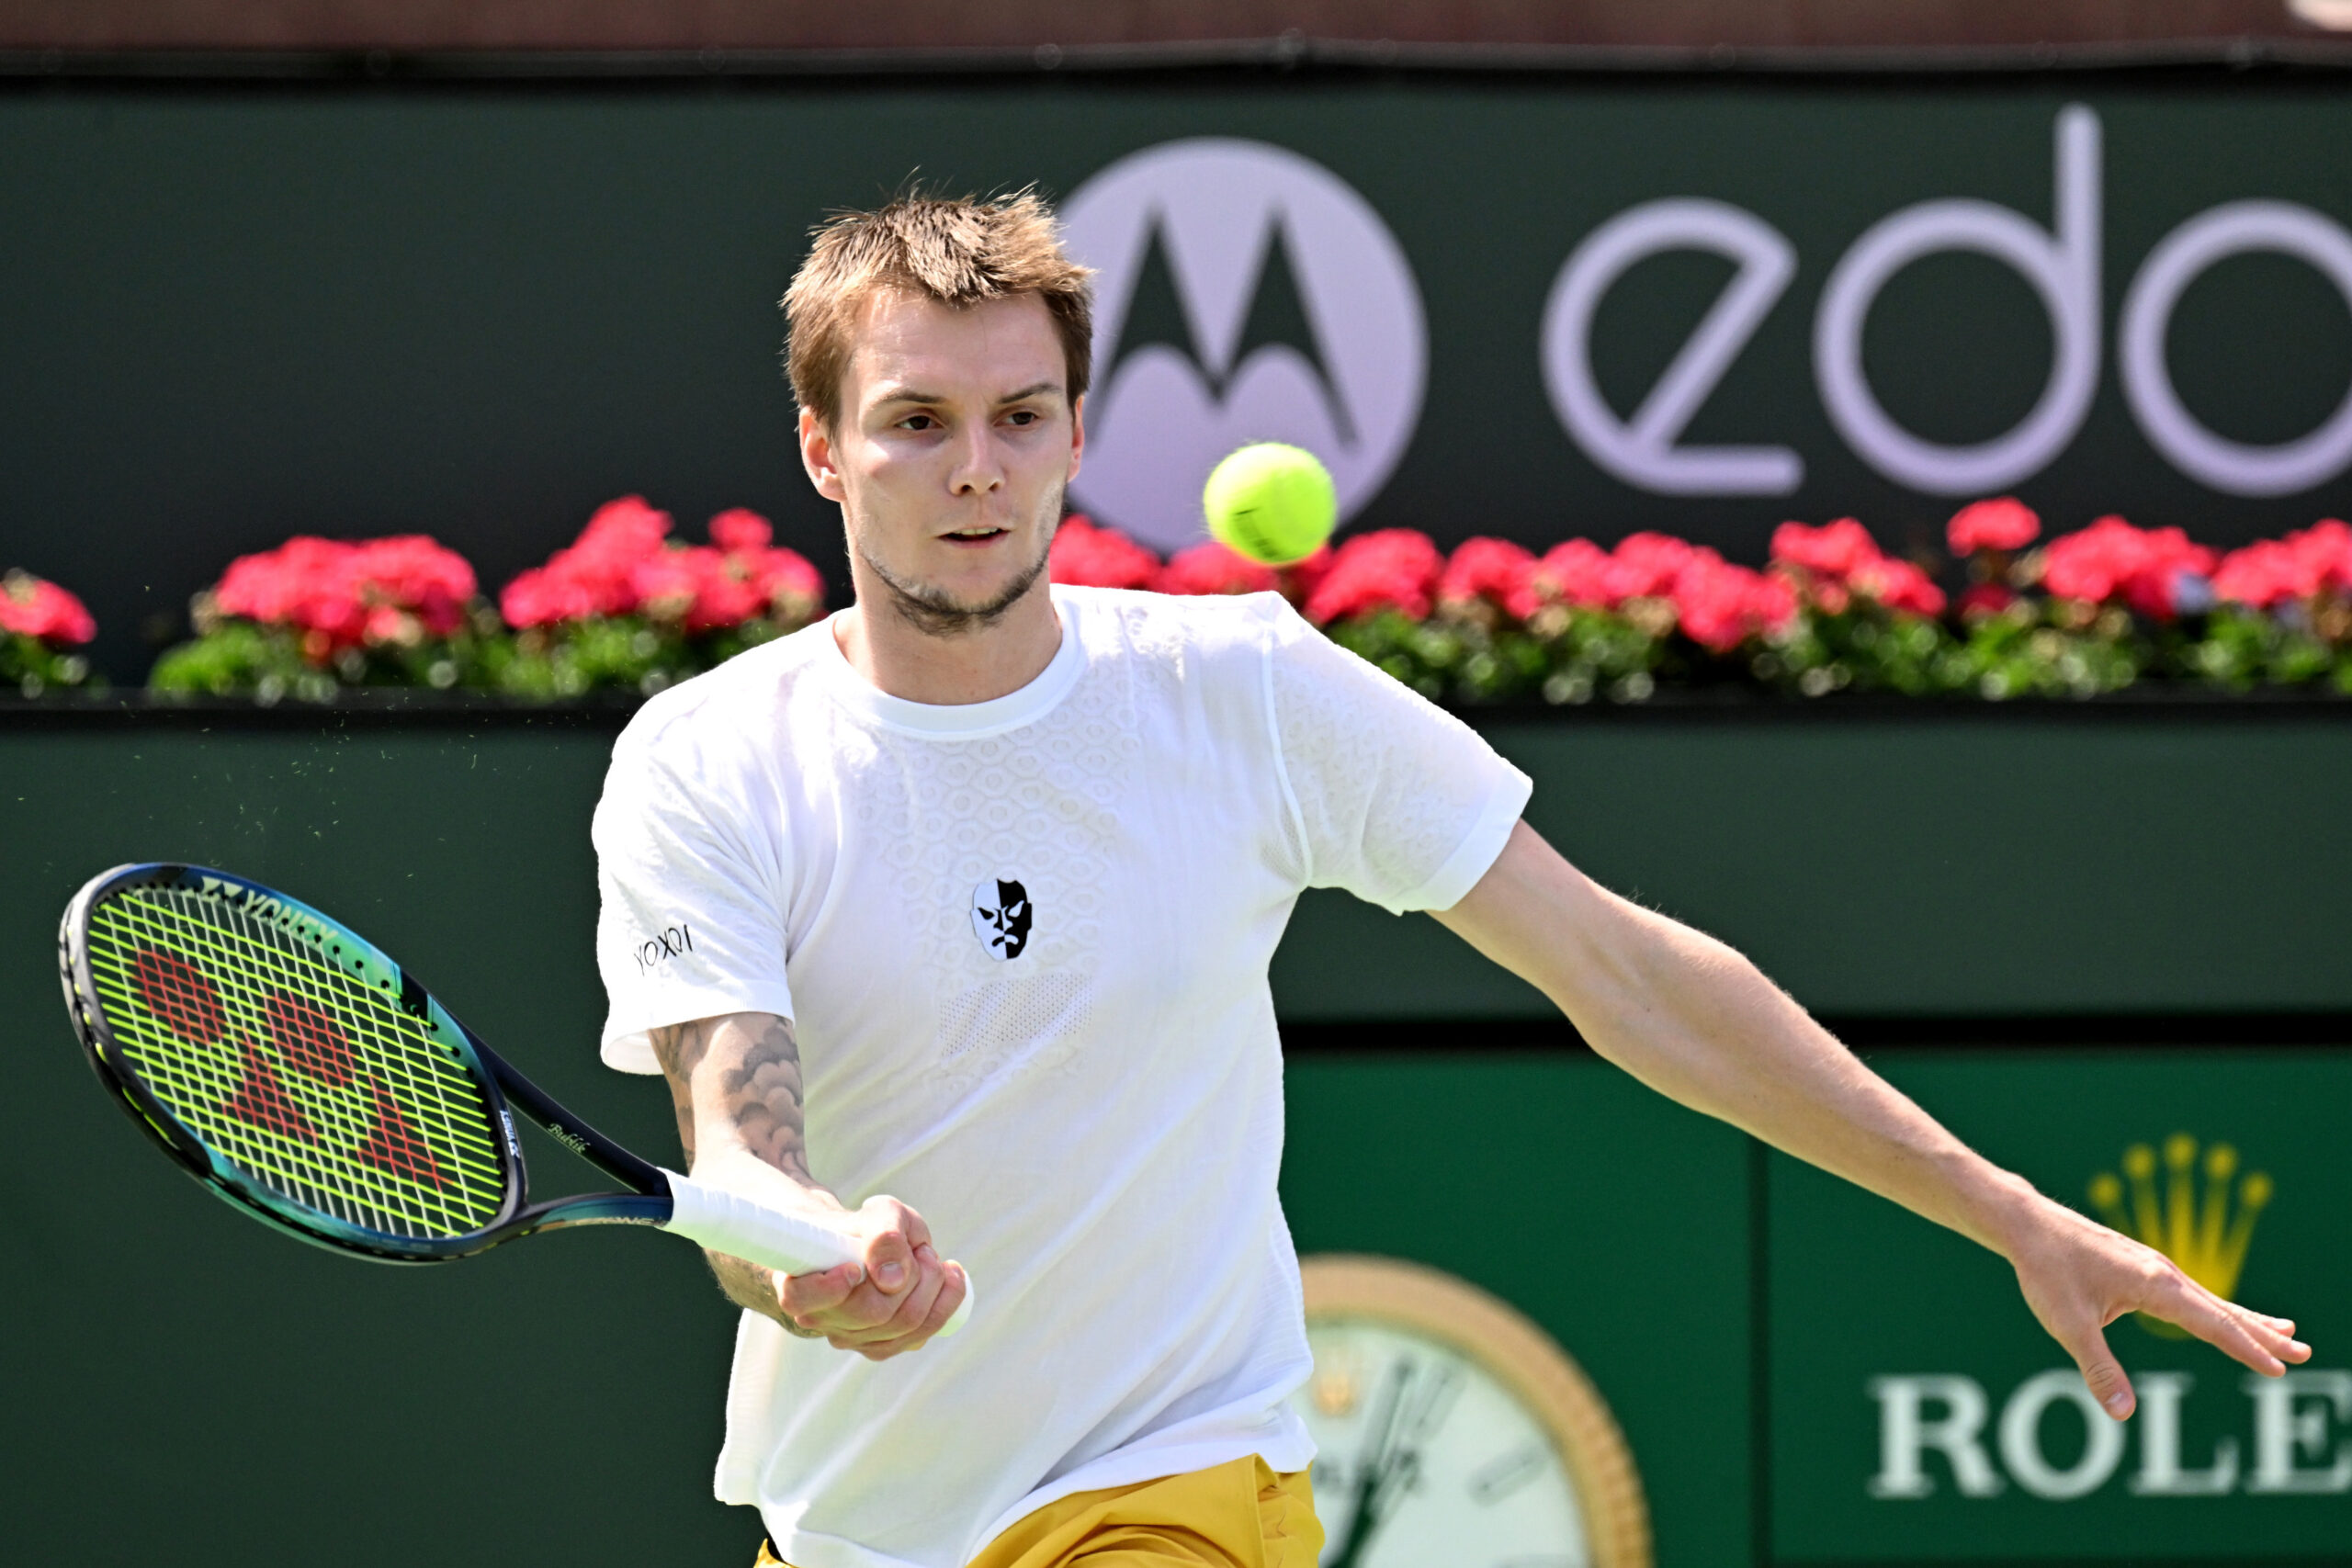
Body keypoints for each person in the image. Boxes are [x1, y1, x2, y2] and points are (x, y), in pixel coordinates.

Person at [590, 191, 2309, 1568]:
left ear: (1075, 434)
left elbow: (1623, 974)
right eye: (916, 423)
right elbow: (743, 1148)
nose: (976, 466)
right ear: (823, 450)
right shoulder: (707, 757)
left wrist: (2007, 1212)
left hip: (1177, 1484)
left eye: (1019, 415)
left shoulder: (1240, 688)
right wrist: (815, 1255)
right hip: (848, 1526)